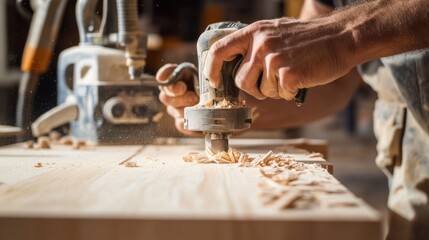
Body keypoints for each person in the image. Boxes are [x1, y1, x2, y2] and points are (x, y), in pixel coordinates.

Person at [156, 0, 429, 239]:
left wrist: (345, 34)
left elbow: (335, 42)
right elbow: (327, 85)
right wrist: (227, 103)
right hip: (413, 149)